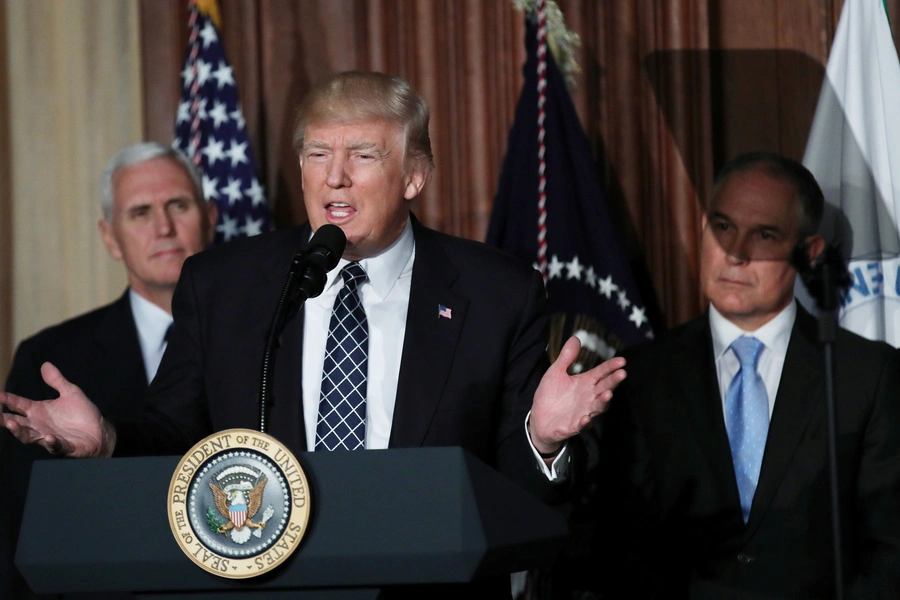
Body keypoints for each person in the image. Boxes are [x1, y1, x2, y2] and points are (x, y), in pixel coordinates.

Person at [0, 73, 626, 596]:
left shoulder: (497, 292)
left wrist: (540, 438)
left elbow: (505, 489)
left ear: (413, 176)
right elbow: (175, 439)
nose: (335, 178)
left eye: (363, 155)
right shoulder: (224, 284)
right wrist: (106, 440)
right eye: (318, 155)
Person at [598, 152, 900, 598]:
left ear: (810, 252)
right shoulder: (643, 376)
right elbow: (623, 547)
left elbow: (888, 551)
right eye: (723, 227)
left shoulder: (867, 376)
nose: (735, 253)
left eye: (765, 235)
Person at [0, 142, 218, 598]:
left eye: (178, 205)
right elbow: (18, 530)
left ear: (211, 217)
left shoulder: (269, 337)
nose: (163, 227)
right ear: (109, 237)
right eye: (140, 212)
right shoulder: (51, 359)